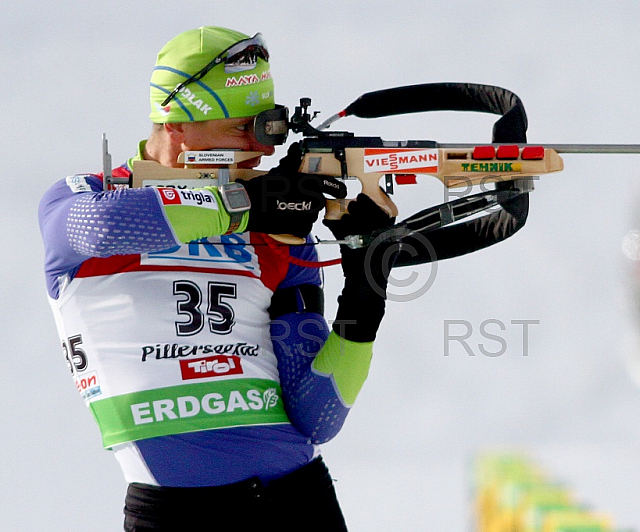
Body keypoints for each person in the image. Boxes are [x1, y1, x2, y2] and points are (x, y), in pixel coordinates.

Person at [38, 26, 396, 531]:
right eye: (240, 130)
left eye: (268, 129)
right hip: (180, 516)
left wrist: (366, 287)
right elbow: (98, 228)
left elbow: (316, 418)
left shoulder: (278, 233)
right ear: (178, 125)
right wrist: (244, 207)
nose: (262, 149)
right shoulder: (86, 197)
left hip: (300, 501)